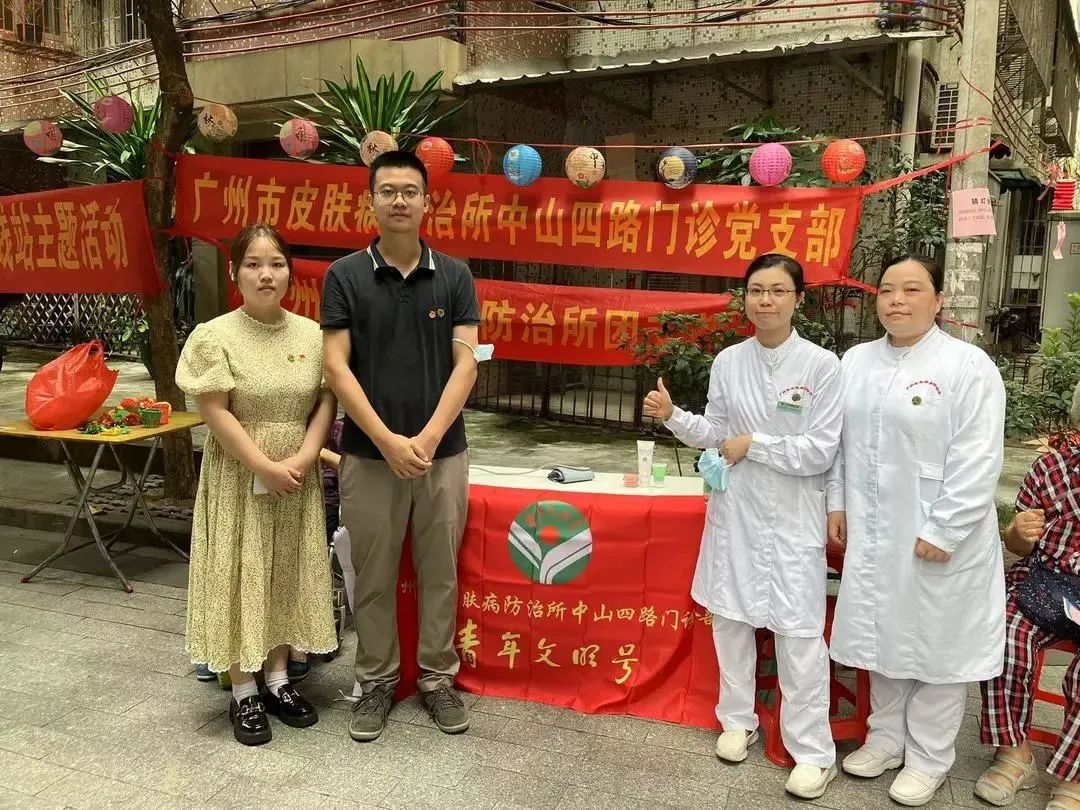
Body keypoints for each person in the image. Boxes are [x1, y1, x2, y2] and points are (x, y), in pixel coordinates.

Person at [642, 254, 842, 800]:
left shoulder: (822, 366)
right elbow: (716, 432)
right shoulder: (730, 361)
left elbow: (821, 450)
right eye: (756, 290)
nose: (766, 300)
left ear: (799, 299)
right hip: (737, 511)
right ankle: (737, 720)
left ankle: (812, 751)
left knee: (798, 633)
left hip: (795, 514)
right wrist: (673, 416)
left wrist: (756, 444)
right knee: (730, 621)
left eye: (778, 290)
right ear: (745, 298)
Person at [826, 254, 1006, 806]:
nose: (897, 300)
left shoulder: (968, 366)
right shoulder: (856, 362)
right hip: (874, 527)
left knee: (937, 646)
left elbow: (978, 456)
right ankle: (885, 739)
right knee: (881, 631)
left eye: (912, 289)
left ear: (938, 300)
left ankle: (929, 758)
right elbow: (839, 443)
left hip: (939, 530)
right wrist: (837, 503)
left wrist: (946, 528)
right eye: (887, 290)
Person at [320, 150, 480, 741]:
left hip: (444, 453)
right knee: (374, 575)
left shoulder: (456, 276)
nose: (399, 200)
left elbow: (467, 363)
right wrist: (387, 441)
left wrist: (430, 437)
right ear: (370, 202)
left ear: (427, 202)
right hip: (368, 456)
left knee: (440, 572)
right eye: (387, 191)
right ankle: (376, 681)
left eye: (410, 191)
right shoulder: (345, 276)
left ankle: (437, 679)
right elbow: (336, 367)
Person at [177, 223, 338, 746]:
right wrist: (261, 465)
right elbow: (214, 411)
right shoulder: (214, 336)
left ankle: (278, 678)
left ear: (290, 273)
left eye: (276, 264)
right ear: (234, 272)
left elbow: (327, 401)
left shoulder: (313, 336)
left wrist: (306, 456)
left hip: (296, 473)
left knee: (285, 568)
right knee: (240, 569)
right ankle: (243, 690)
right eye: (253, 264)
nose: (266, 274)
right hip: (239, 472)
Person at [974, 381, 1080, 809]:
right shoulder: (1052, 467)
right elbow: (1018, 545)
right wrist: (1017, 532)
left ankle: (1075, 776)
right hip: (1044, 581)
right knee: (1003, 630)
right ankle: (1014, 753)